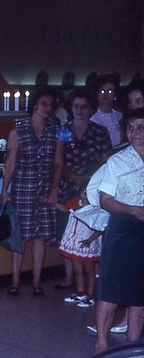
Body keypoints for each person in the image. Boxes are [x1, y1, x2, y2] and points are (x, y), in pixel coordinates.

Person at [89, 108, 144, 354]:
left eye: (141, 127)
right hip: (122, 228)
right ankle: (101, 344)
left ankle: (131, 347)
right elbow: (105, 199)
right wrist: (132, 210)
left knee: (139, 292)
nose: (135, 133)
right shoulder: (117, 161)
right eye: (131, 128)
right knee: (110, 289)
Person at [1, 87, 64, 296]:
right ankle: (15, 281)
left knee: (41, 237)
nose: (48, 108)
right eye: (44, 103)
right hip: (22, 188)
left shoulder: (56, 130)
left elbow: (58, 163)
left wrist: (54, 189)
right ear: (35, 105)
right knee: (20, 236)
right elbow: (10, 162)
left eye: (51, 104)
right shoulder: (18, 129)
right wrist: (4, 189)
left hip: (45, 188)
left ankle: (37, 281)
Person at [54, 87, 112, 289]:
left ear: (90, 108)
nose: (79, 110)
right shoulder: (64, 131)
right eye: (76, 106)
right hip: (68, 186)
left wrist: (88, 179)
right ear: (71, 108)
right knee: (68, 232)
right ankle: (70, 277)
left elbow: (107, 161)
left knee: (91, 231)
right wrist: (74, 177)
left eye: (84, 106)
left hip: (93, 188)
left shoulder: (99, 131)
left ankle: (93, 277)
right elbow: (58, 161)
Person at [58, 185, 102, 308]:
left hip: (87, 242)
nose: (85, 196)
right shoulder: (74, 202)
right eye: (83, 192)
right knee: (77, 269)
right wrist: (53, 203)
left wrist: (90, 239)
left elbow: (100, 227)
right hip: (75, 241)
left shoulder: (95, 208)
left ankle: (90, 295)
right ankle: (80, 292)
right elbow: (65, 209)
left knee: (89, 270)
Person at [90, 74, 124, 148]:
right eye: (102, 91)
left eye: (110, 91)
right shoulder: (90, 117)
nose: (105, 95)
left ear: (115, 95)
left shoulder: (120, 116)